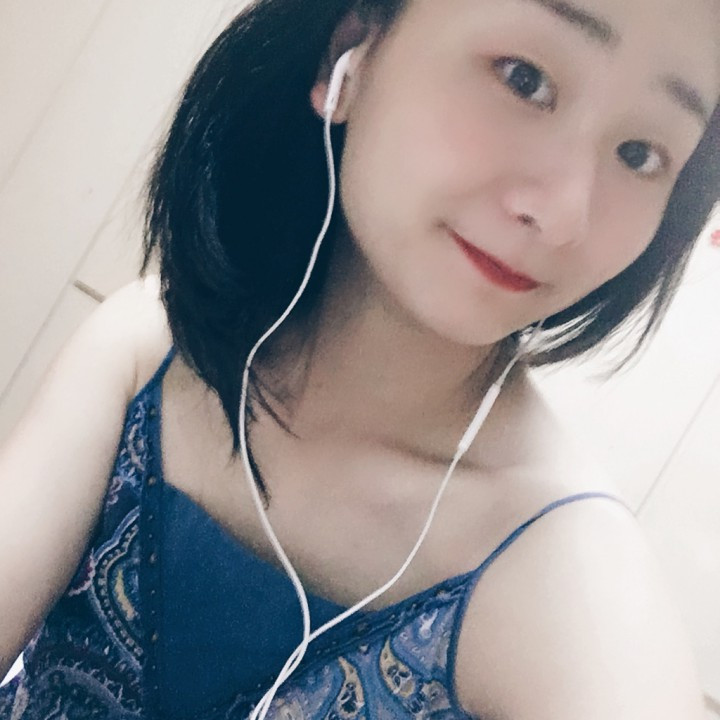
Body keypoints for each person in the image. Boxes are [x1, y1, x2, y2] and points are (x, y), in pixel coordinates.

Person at [1, 0, 718, 717]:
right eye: (524, 79)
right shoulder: (151, 351)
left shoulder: (569, 578)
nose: (564, 214)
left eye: (640, 154)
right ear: (350, 54)